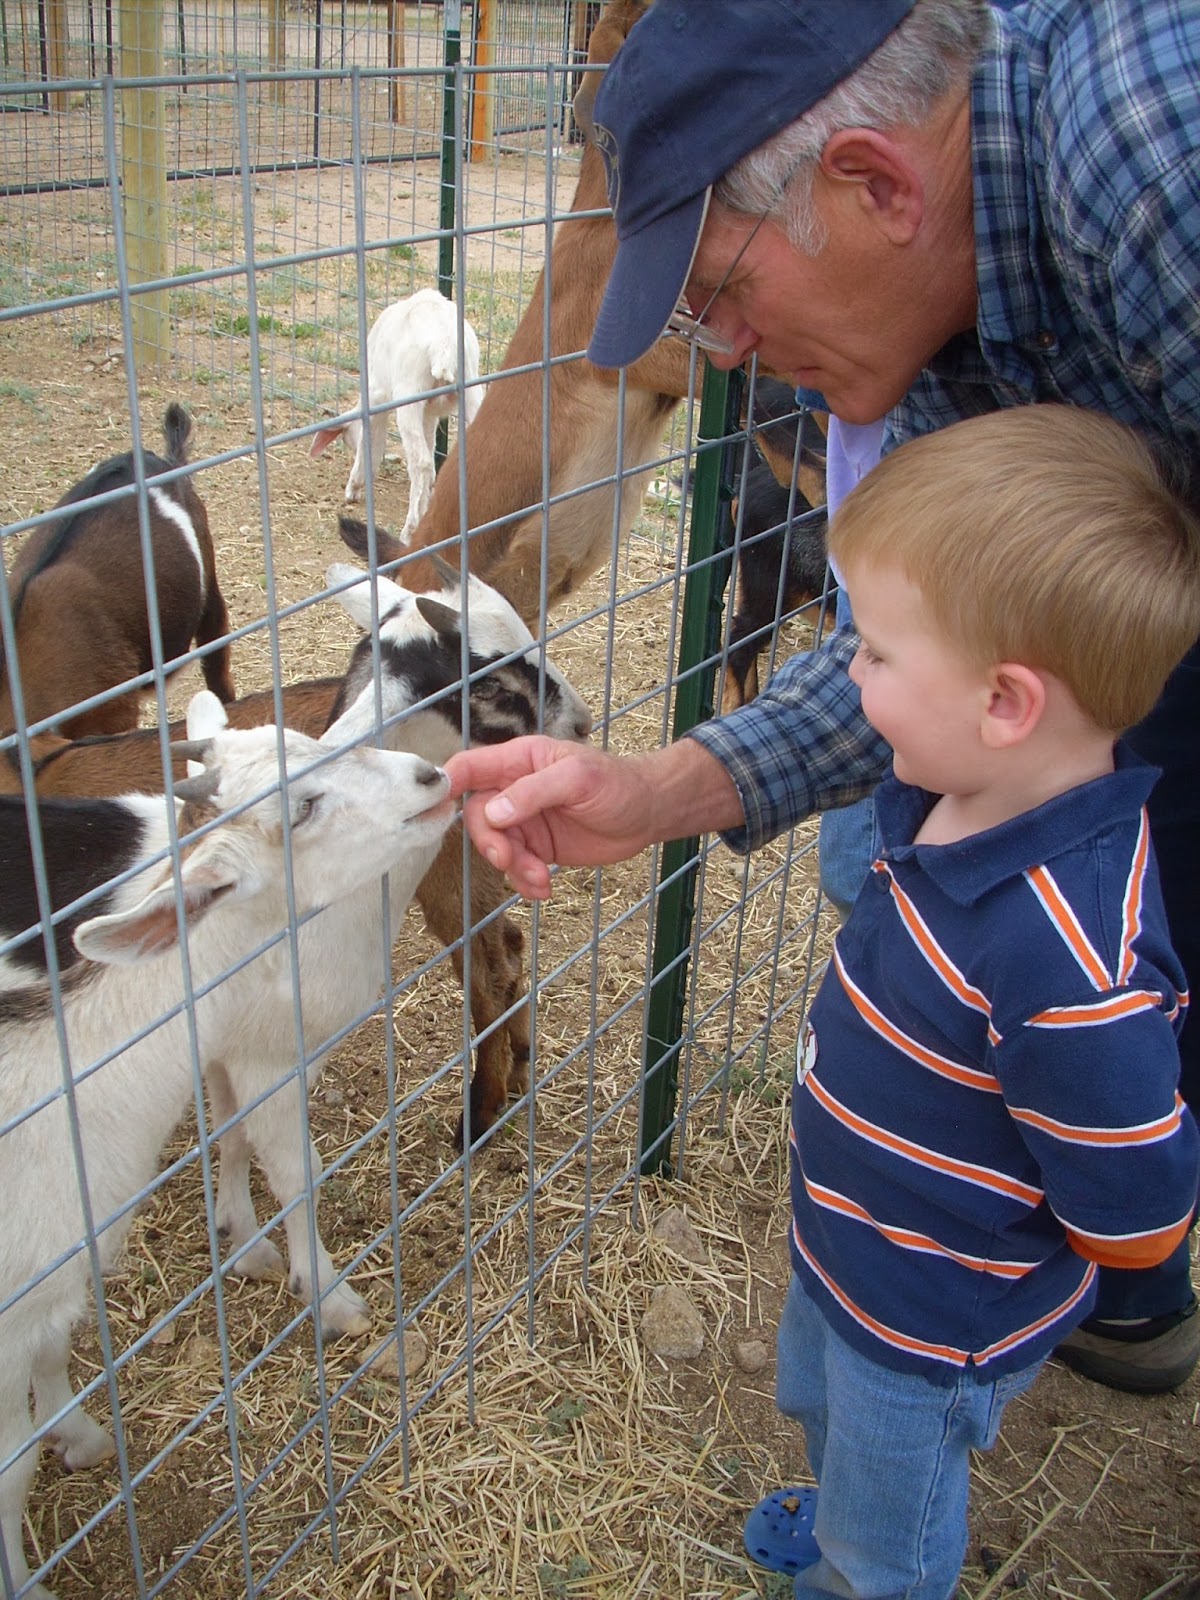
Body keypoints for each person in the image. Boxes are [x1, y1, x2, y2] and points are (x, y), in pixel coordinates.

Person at [514, 0, 1200, 1395]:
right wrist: (654, 793)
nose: (724, 348)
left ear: (875, 184)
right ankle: (1127, 1285)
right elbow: (922, 652)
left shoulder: (1151, 158)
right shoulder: (950, 321)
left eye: (721, 291)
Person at [447, 405, 1200, 1595]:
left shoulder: (1073, 961)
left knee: (886, 1531)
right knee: (815, 1396)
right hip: (852, 1243)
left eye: (879, 655)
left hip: (930, 1317)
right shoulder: (956, 793)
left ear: (1005, 702)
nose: (850, 672)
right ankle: (840, 1505)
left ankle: (861, 1569)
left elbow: (1141, 1214)